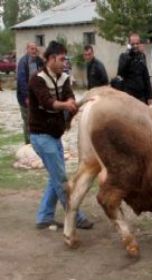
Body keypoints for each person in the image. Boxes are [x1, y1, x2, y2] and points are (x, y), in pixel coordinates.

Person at [28, 41, 94, 230]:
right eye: (62, 59)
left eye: (65, 59)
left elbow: (69, 94)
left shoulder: (64, 77)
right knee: (61, 180)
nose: (64, 63)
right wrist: (66, 105)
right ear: (50, 59)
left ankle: (44, 217)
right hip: (41, 136)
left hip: (55, 136)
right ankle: (76, 217)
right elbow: (47, 102)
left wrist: (71, 101)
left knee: (55, 178)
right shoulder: (37, 79)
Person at [16, 42, 44, 144]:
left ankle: (36, 142)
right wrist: (26, 97)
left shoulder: (38, 61)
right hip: (25, 97)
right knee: (28, 119)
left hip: (36, 96)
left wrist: (41, 56)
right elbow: (21, 81)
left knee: (37, 119)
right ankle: (28, 143)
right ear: (27, 49)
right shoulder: (23, 62)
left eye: (35, 49)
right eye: (32, 49)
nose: (34, 51)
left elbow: (46, 68)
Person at [117, 32, 152, 104]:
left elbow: (146, 76)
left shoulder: (142, 56)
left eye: (137, 43)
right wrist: (129, 56)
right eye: (133, 44)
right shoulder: (124, 56)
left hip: (141, 96)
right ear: (129, 44)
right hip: (129, 95)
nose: (135, 46)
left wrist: (149, 95)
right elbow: (120, 73)